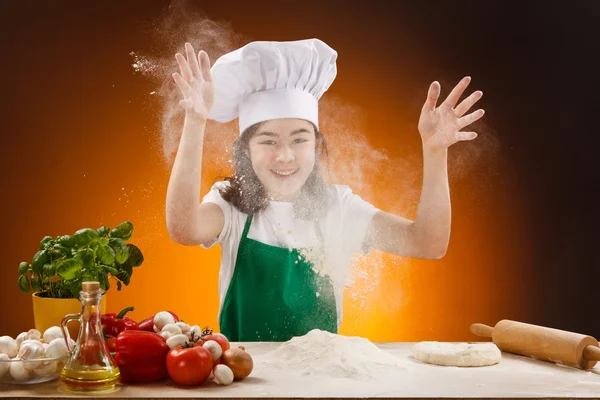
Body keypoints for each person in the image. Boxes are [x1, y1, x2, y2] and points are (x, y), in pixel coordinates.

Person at [166, 39, 484, 341]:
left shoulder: (339, 209)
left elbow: (428, 243)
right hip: (243, 378)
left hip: (321, 383)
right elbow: (184, 228)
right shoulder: (230, 205)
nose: (285, 156)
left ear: (317, 146)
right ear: (245, 150)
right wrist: (195, 121)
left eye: (299, 139)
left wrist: (435, 151)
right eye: (268, 141)